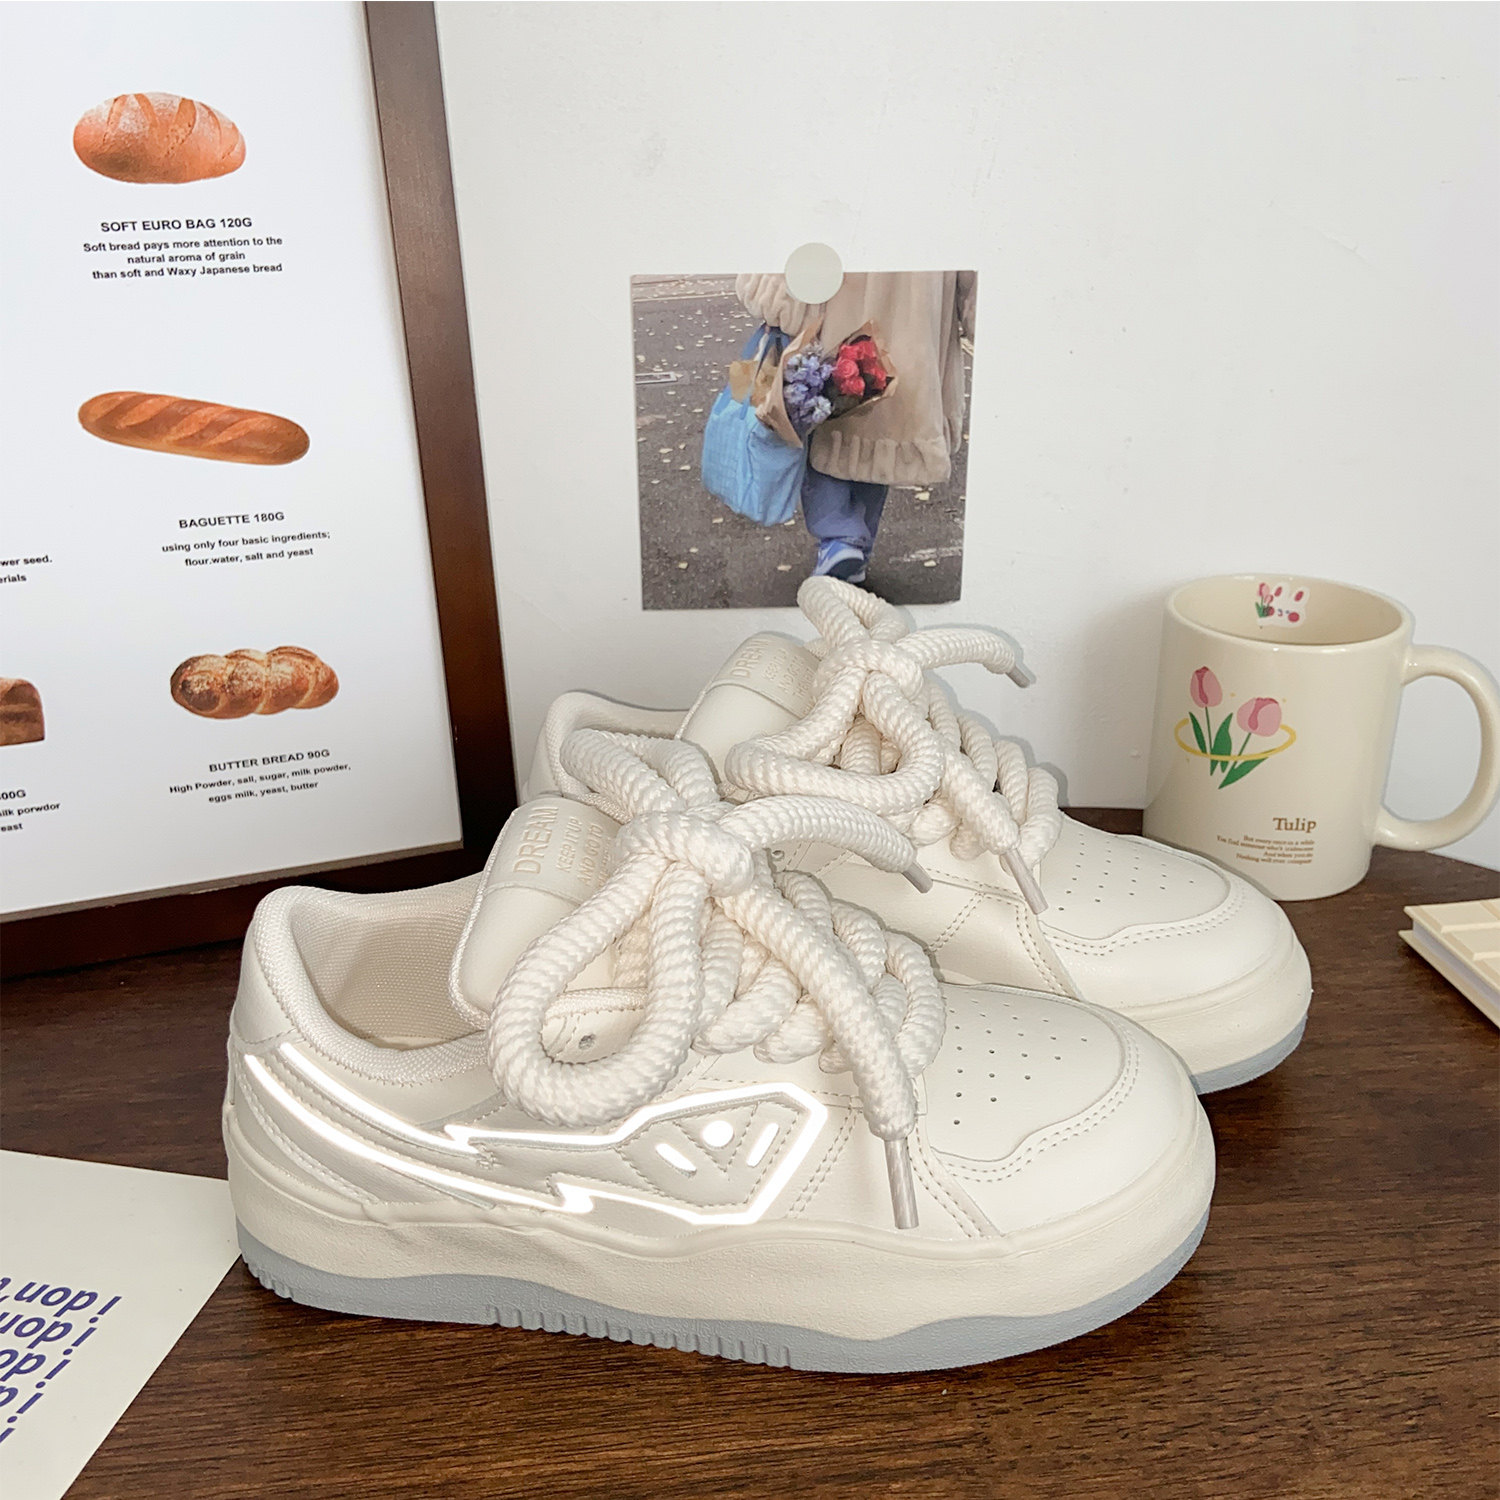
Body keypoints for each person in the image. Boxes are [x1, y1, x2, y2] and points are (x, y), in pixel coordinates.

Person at [735, 270, 976, 584]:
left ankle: (841, 537)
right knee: (880, 432)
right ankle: (855, 547)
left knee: (824, 418)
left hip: (839, 309)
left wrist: (779, 300)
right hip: (916, 323)